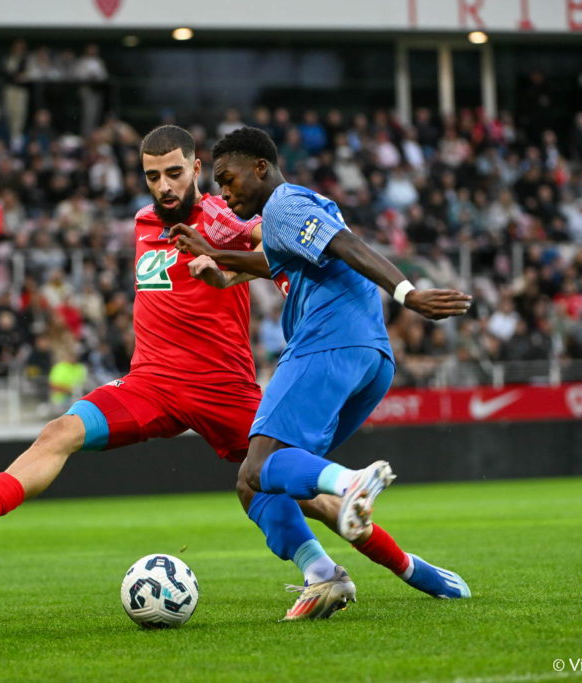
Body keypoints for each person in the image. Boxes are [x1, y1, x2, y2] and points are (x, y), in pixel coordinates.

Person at [0, 126, 436, 620]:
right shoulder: (142, 222)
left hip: (222, 387)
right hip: (149, 384)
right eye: (153, 176)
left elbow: (277, 250)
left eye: (174, 173)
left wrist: (229, 263)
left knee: (278, 485)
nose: (164, 185)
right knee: (60, 431)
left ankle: (397, 567)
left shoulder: (231, 217)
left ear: (196, 168)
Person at [171, 127, 473, 617]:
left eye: (228, 179)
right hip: (369, 359)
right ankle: (371, 573)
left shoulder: (284, 205)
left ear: (261, 168)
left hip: (328, 342)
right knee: (256, 481)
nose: (225, 193)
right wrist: (217, 260)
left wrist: (407, 293)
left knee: (261, 465)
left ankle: (351, 484)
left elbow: (346, 244)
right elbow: (277, 261)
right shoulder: (288, 216)